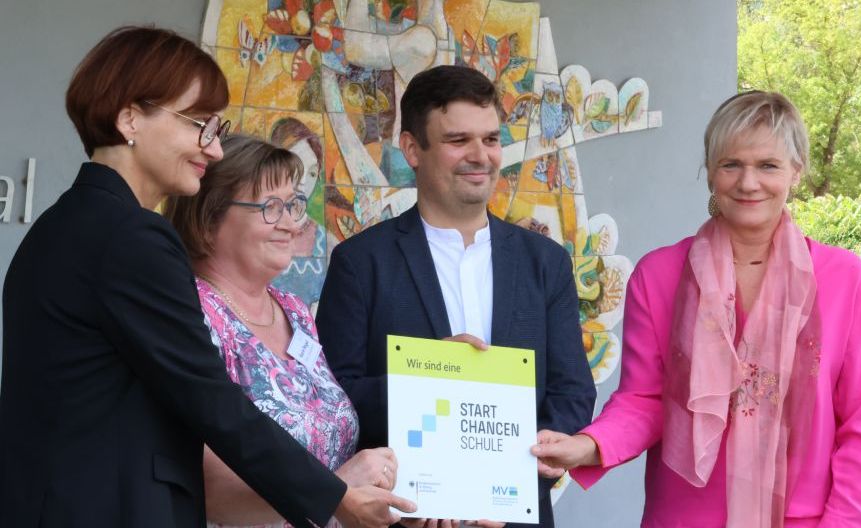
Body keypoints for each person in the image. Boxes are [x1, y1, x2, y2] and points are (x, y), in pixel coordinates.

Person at [0, 26, 414, 528]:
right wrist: (334, 497)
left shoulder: (58, 227)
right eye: (198, 124)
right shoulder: (131, 237)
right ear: (130, 117)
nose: (213, 149)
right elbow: (212, 399)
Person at [530, 91, 861, 527]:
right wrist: (586, 445)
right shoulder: (659, 275)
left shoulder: (844, 279)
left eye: (768, 165)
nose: (748, 182)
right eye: (731, 164)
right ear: (710, 173)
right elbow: (644, 400)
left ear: (796, 172)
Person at [316, 64, 596, 528]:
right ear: (412, 149)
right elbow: (334, 396)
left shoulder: (544, 262)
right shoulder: (360, 261)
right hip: (405, 516)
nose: (480, 155)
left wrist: (511, 482)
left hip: (515, 515)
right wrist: (427, 382)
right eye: (457, 140)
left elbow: (571, 393)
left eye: (490, 139)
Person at [164, 135, 406, 527]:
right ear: (208, 218)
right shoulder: (190, 312)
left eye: (293, 205)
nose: (293, 224)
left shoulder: (294, 310)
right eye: (270, 208)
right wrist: (335, 490)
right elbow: (205, 488)